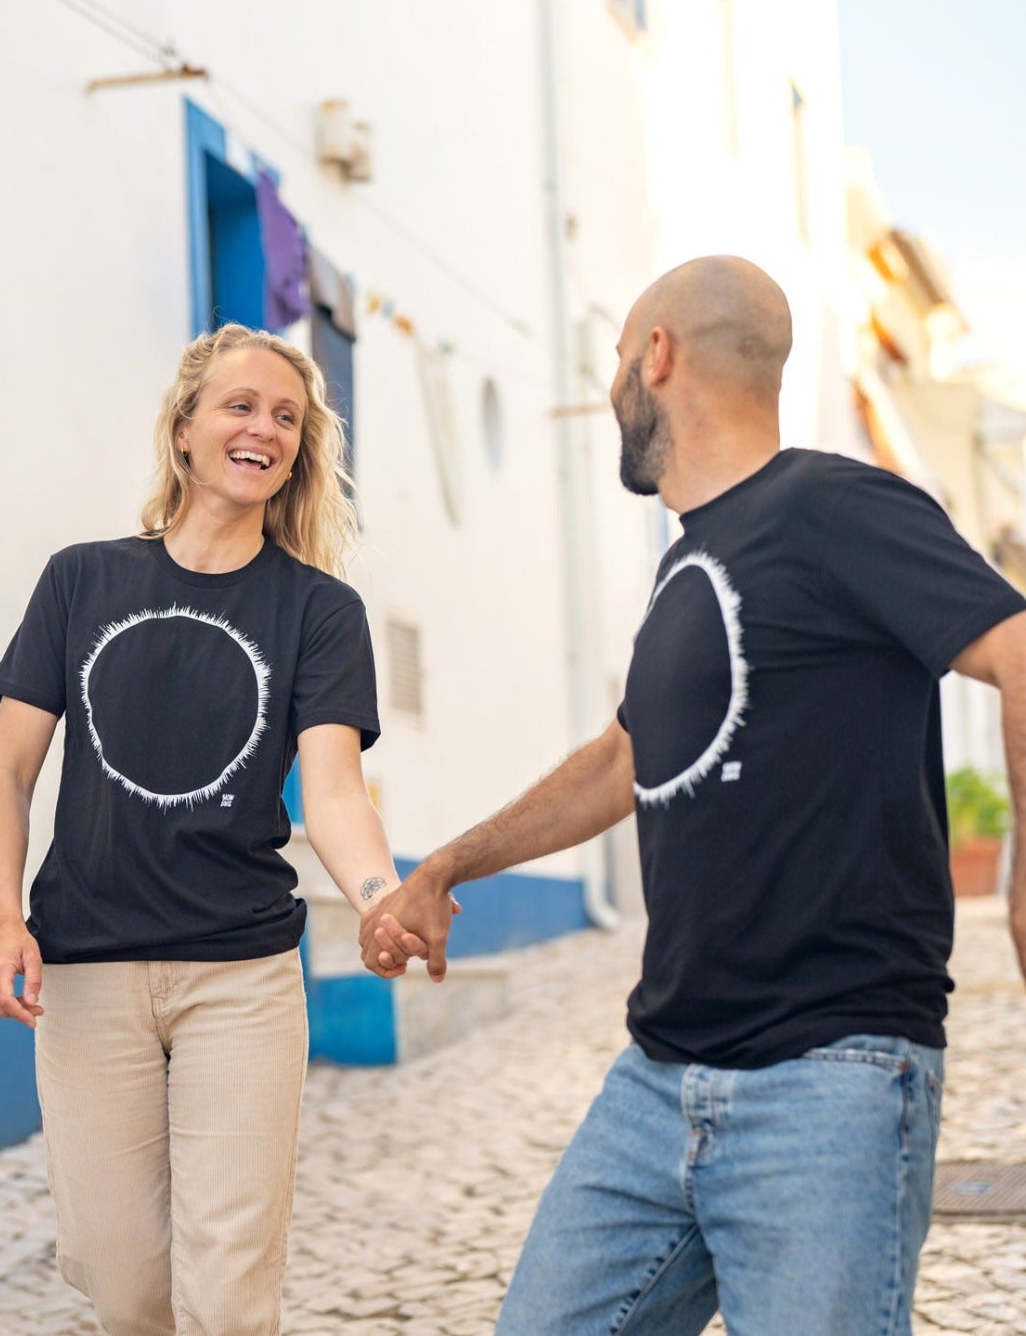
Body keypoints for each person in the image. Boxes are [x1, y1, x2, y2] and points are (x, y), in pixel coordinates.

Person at [361, 256, 1026, 1335]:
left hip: (831, 1081)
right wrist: (443, 867)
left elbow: (1018, 648)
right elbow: (627, 758)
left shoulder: (837, 505)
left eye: (620, 362)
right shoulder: (691, 565)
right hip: (658, 1079)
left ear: (656, 356)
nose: (617, 388)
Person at [0, 324, 405, 1336]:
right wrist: (4, 921)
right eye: (241, 406)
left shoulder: (320, 612)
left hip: (239, 977)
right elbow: (8, 773)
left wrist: (381, 898)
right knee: (120, 1279)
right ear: (185, 429)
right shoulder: (81, 581)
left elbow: (334, 792)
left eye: (287, 418)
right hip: (88, 973)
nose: (265, 429)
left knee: (228, 1288)